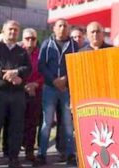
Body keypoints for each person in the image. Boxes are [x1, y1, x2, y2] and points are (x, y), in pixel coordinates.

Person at [0, 20, 32, 168]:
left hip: (17, 95)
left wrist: (17, 72)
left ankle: (13, 159)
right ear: (3, 30)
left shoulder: (22, 51)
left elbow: (28, 68)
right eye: (10, 29)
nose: (13, 32)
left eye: (16, 30)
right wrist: (6, 75)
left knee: (16, 128)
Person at [36, 19, 78, 166]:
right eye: (59, 25)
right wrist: (54, 80)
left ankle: (70, 154)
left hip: (66, 89)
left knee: (68, 123)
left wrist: (65, 80)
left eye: (65, 26)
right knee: (47, 123)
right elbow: (41, 65)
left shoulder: (74, 45)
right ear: (54, 28)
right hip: (50, 88)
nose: (62, 28)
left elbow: (76, 65)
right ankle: (41, 154)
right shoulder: (47, 44)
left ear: (69, 28)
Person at [20, 28, 43, 163]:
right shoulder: (17, 53)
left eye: (33, 39)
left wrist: (35, 85)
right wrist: (24, 85)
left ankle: (29, 151)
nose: (30, 41)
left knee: (32, 123)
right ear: (23, 39)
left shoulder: (40, 54)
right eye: (27, 38)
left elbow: (43, 73)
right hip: (18, 92)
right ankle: (14, 152)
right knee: (17, 123)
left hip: (35, 92)